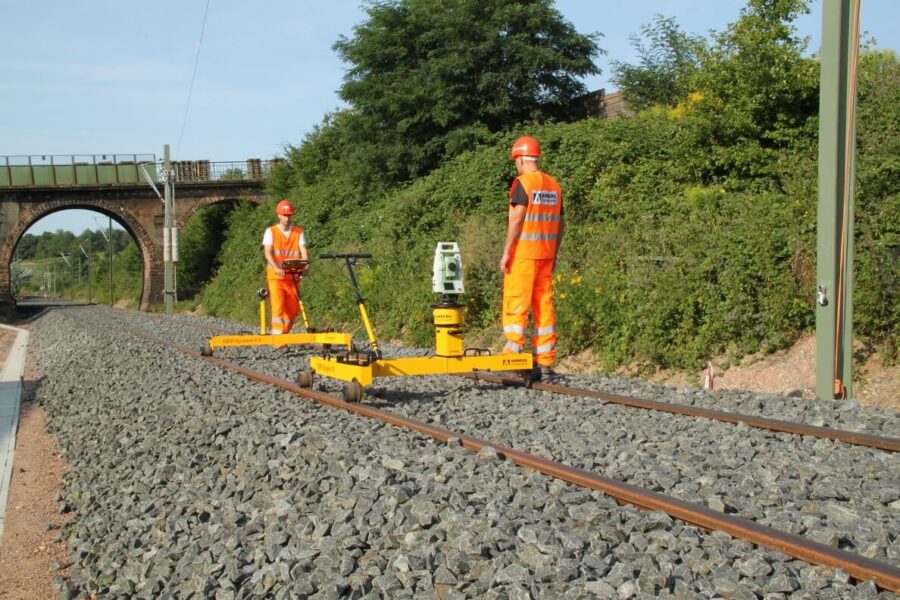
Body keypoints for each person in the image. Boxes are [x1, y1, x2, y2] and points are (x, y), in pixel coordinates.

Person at [499, 135, 564, 380]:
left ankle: (512, 353)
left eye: (515, 160)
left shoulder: (523, 183)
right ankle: (545, 361)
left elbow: (517, 218)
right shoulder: (553, 185)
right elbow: (560, 222)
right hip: (546, 254)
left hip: (524, 255)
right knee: (544, 305)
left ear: (521, 159)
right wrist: (554, 252)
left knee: (517, 300)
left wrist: (507, 251)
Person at [263, 199, 309, 334]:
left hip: (293, 277)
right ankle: (278, 340)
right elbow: (268, 253)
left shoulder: (298, 232)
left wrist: (305, 265)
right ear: (278, 215)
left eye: (288, 215)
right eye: (284, 215)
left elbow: (304, 252)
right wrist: (277, 267)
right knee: (278, 307)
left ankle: (283, 334)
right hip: (276, 276)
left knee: (293, 308)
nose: (286, 218)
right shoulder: (270, 231)